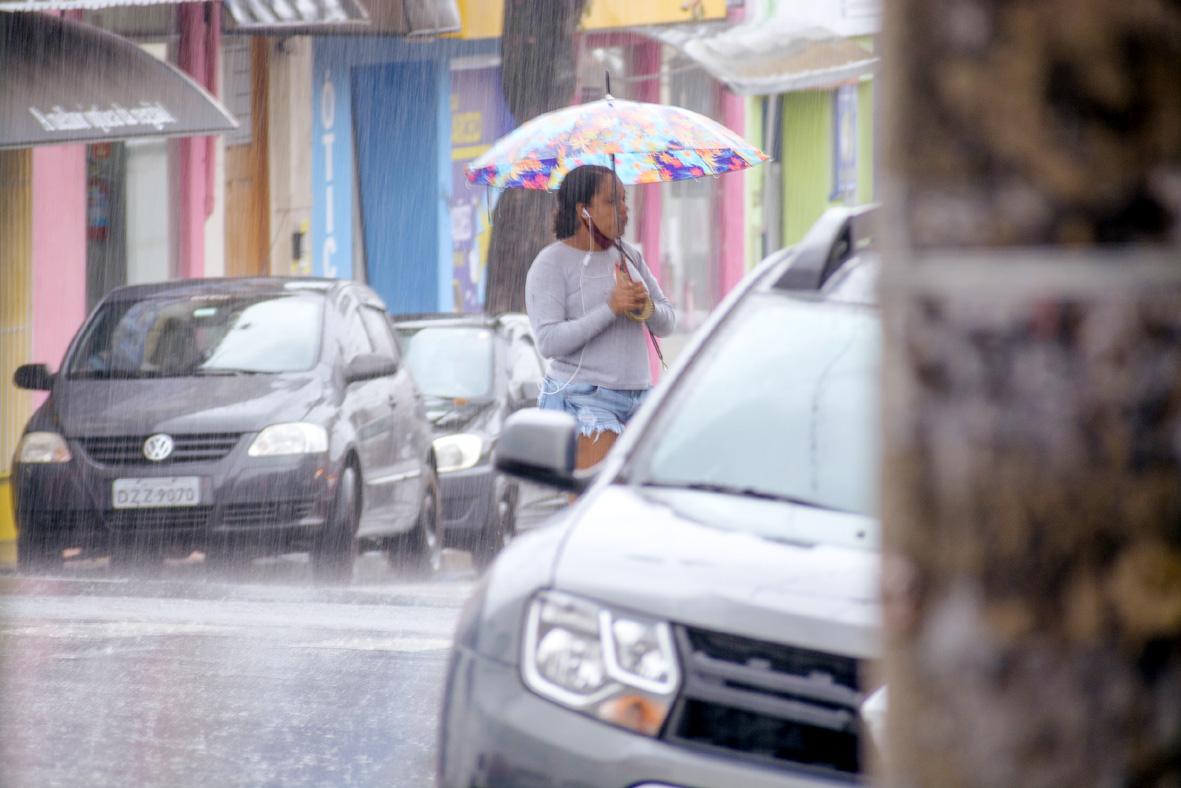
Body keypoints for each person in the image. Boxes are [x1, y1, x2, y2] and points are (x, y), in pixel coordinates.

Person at [525, 164, 676, 470]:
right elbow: (548, 341)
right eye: (612, 201)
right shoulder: (551, 264)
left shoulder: (630, 255)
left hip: (639, 396)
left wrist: (643, 307)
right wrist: (611, 308)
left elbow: (667, 321)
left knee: (639, 506)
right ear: (584, 210)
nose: (624, 209)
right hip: (585, 399)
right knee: (595, 504)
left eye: (625, 199)